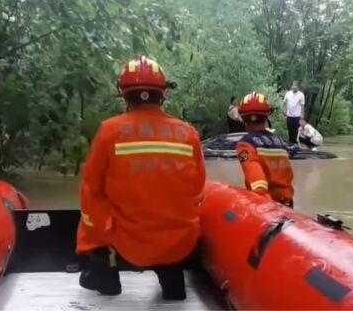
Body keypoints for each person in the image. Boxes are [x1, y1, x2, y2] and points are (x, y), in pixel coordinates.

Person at [76, 56, 206, 300]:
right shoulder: (188, 133)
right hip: (177, 245)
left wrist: (98, 226)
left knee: (90, 205)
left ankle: (106, 276)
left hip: (128, 243)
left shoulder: (109, 130)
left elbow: (91, 185)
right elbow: (197, 186)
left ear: (124, 95)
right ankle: (172, 282)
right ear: (163, 93)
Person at [236, 91, 295, 208]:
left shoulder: (245, 144)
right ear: (266, 117)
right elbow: (288, 175)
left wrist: (267, 210)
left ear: (244, 119)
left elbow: (258, 184)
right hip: (288, 204)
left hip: (269, 207)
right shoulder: (280, 141)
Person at [282, 81, 305, 145]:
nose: (294, 87)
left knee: (296, 132)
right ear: (291, 86)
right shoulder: (288, 94)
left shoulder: (301, 95)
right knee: (290, 131)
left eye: (296, 86)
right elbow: (283, 103)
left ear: (298, 87)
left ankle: (295, 145)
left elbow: (302, 106)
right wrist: (283, 111)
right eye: (293, 86)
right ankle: (290, 145)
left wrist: (302, 116)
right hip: (289, 116)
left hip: (297, 117)